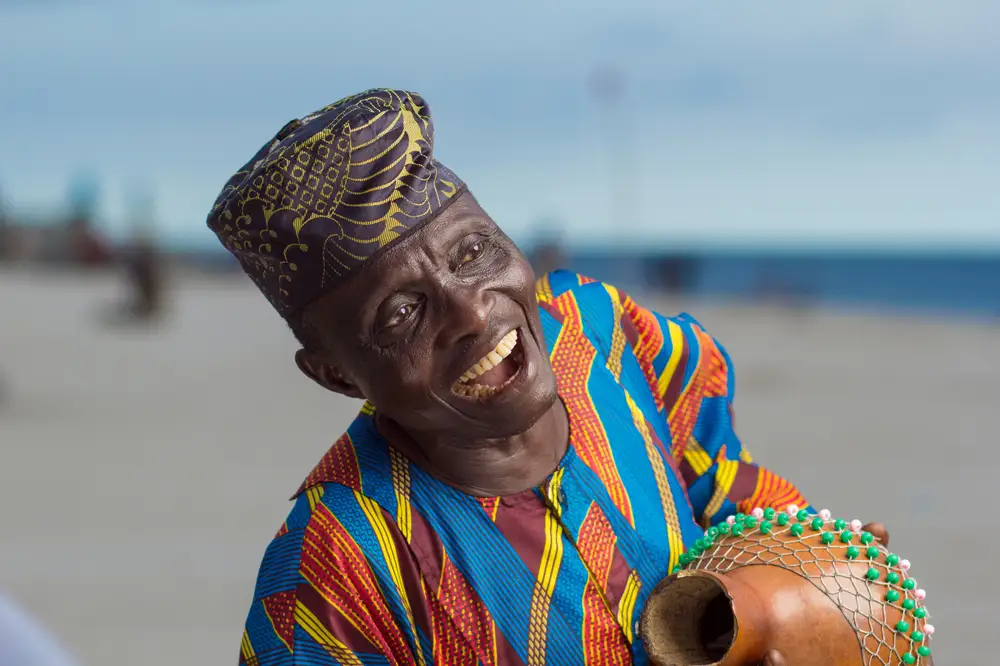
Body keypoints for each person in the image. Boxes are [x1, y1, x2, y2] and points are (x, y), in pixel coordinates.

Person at [208, 89, 888, 665]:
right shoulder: (336, 571)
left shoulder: (605, 334)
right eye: (402, 313)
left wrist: (804, 567)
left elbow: (724, 482)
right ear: (335, 374)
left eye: (473, 251)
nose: (473, 310)